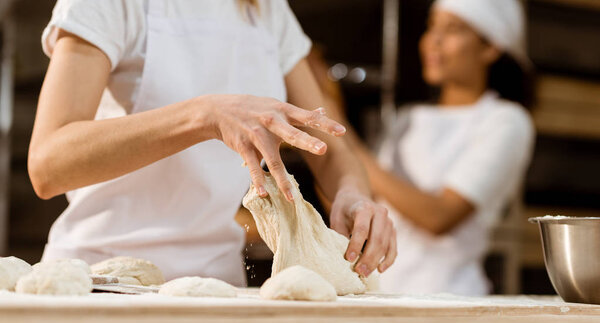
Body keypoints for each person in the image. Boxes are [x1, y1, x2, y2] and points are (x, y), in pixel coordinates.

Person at [28, 0, 396, 286]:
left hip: (218, 284)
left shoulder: (265, 9)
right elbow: (49, 164)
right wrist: (203, 116)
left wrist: (352, 193)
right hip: (101, 279)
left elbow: (326, 140)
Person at [348, 0, 535, 295]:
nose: (434, 41)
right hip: (378, 291)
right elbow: (363, 202)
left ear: (490, 47)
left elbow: (438, 216)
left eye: (453, 29)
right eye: (432, 26)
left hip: (448, 297)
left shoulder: (506, 121)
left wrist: (351, 148)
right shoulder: (407, 118)